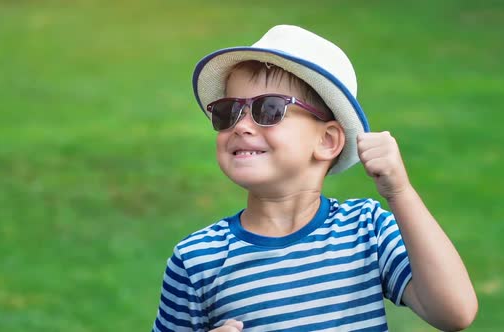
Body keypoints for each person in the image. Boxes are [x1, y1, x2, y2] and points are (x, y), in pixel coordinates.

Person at [152, 25, 477, 331]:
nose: (241, 125)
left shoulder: (365, 230)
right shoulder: (197, 259)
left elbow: (454, 312)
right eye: (228, 111)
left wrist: (400, 192)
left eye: (268, 109)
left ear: (327, 141)